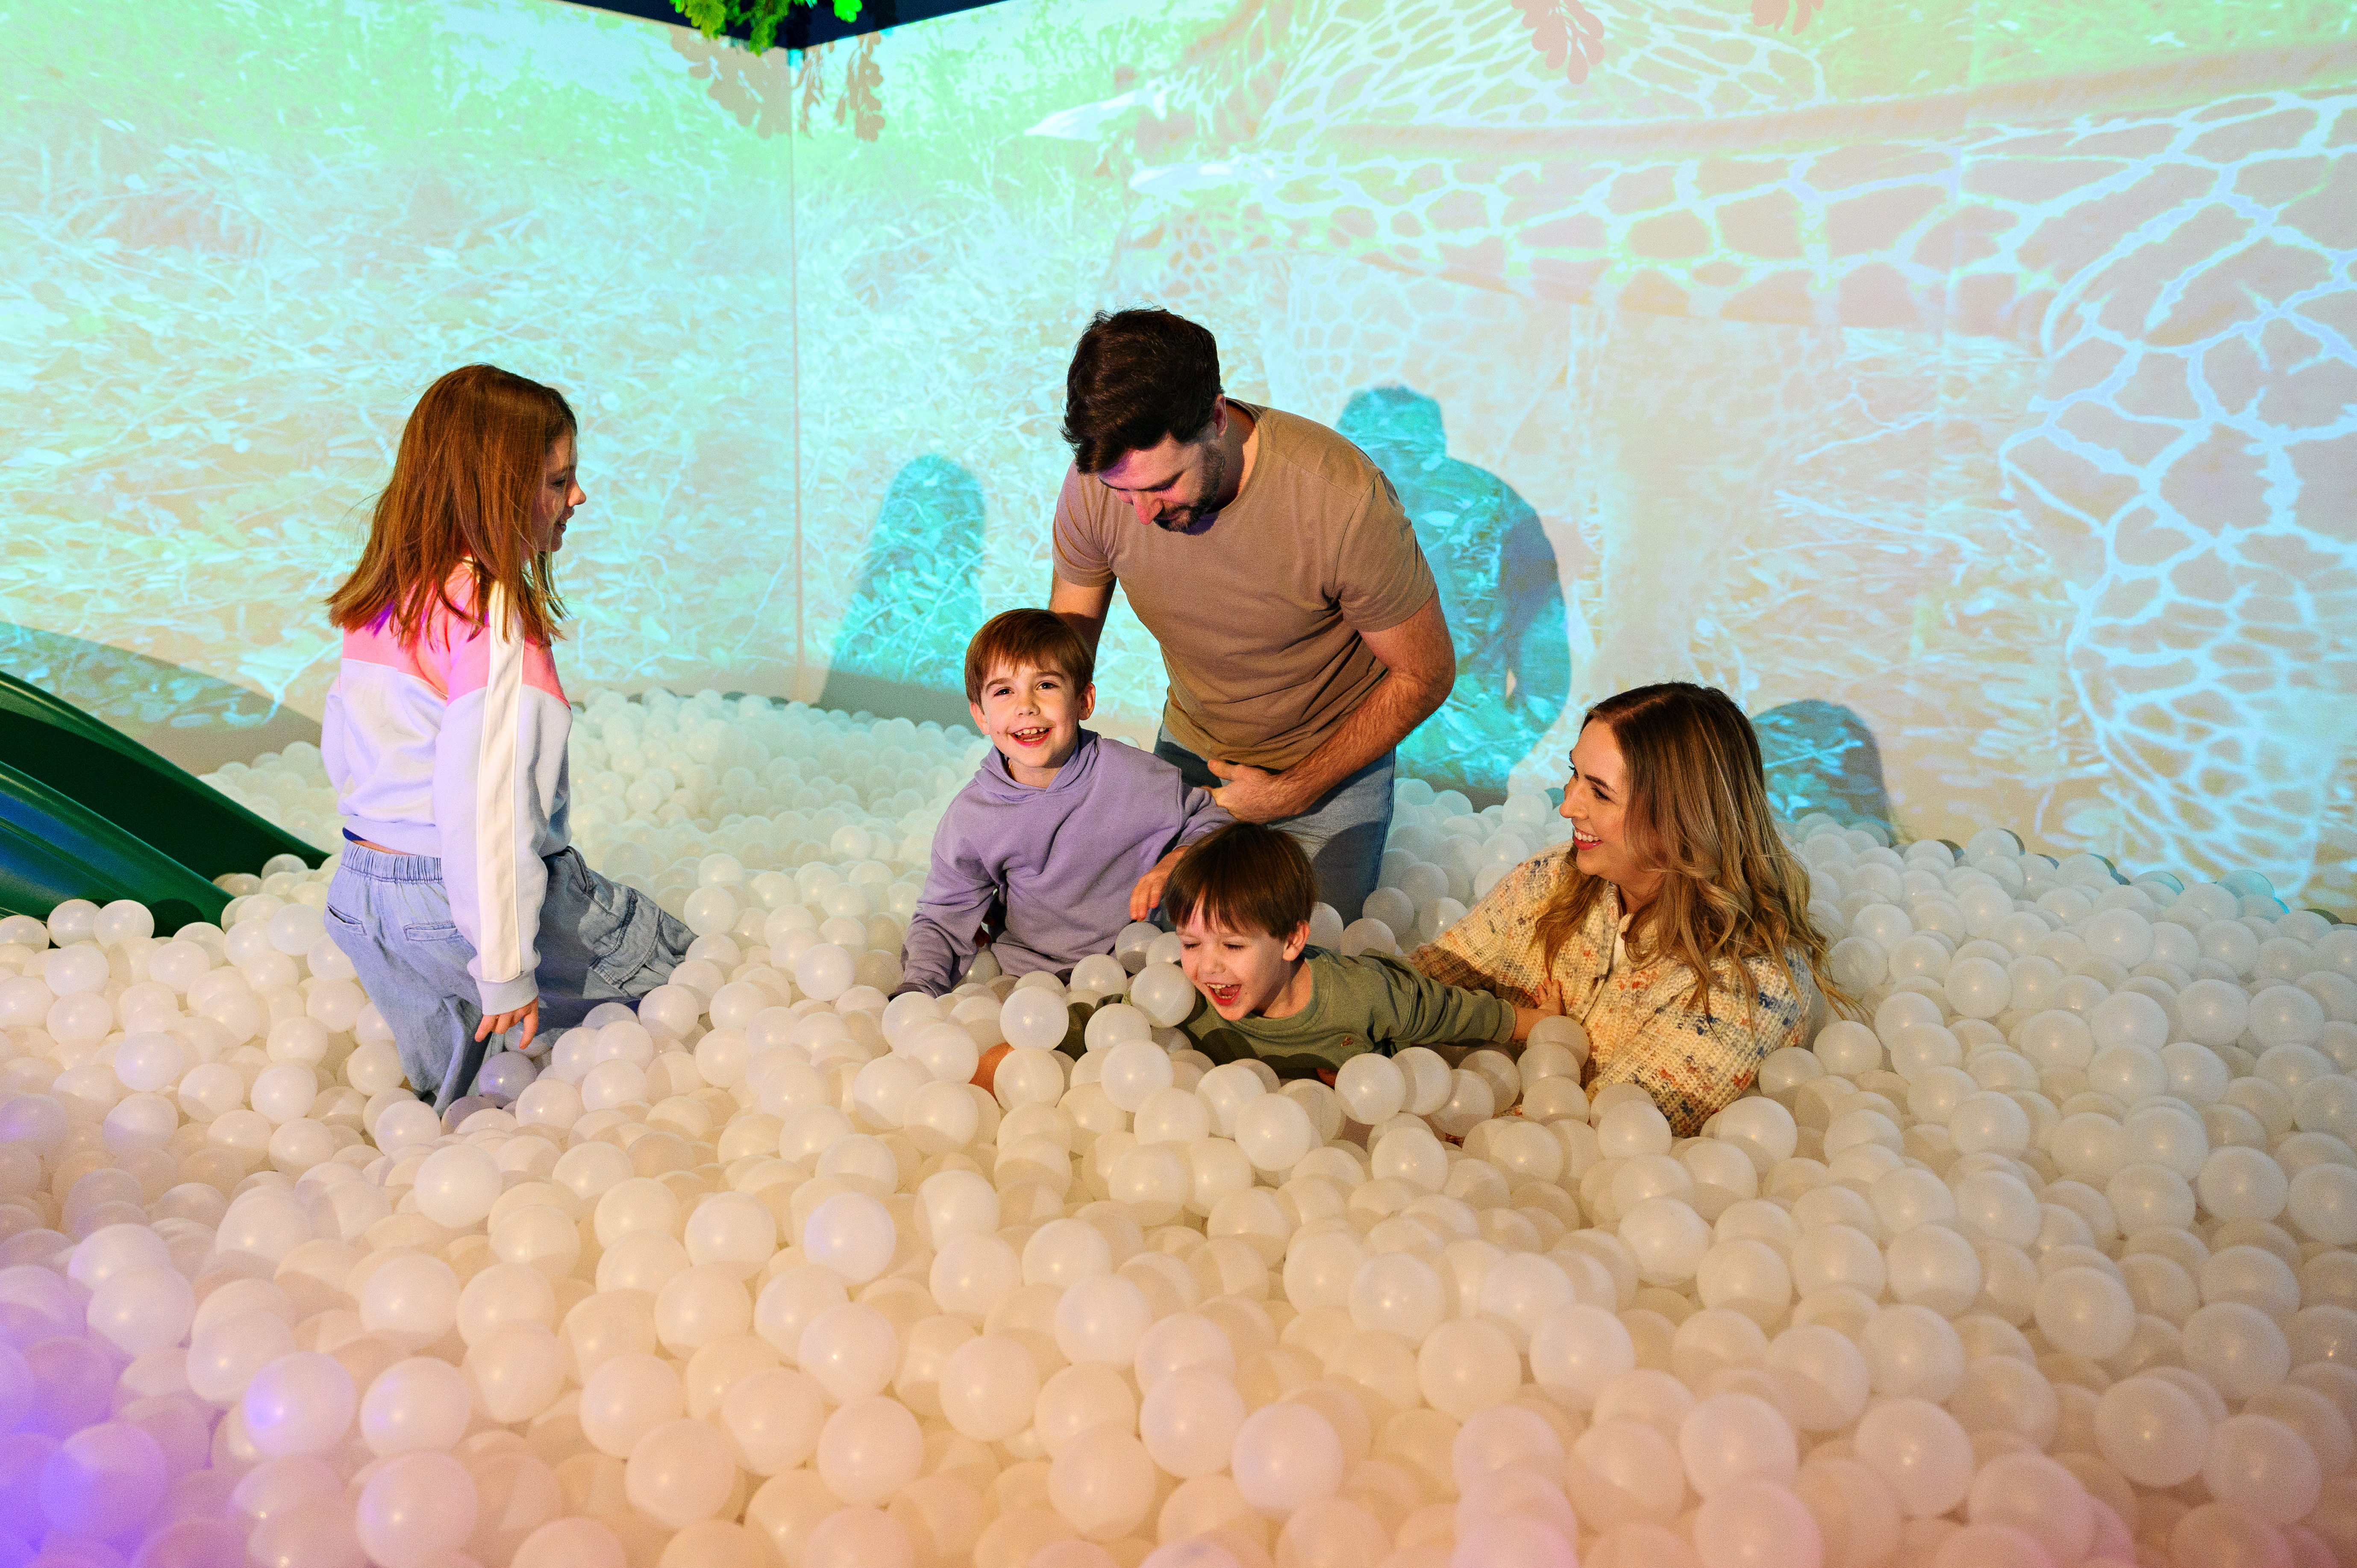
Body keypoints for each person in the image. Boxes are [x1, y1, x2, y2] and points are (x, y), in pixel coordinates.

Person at [320, 364, 691, 1110]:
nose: (577, 499)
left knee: (458, 1103)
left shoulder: (390, 595)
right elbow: (485, 810)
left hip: (363, 895)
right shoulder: (491, 614)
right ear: (494, 491)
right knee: (695, 991)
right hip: (452, 899)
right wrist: (504, 963)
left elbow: (357, 755)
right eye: (559, 483)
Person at [1047, 309, 1456, 923]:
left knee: (1301, 972)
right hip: (1195, 752)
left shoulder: (1341, 501)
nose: (1139, 513)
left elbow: (1426, 674)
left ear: (1214, 419)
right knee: (1142, 949)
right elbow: (1065, 643)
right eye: (1121, 491)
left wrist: (1290, 793)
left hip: (1330, 769)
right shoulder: (1097, 487)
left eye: (1161, 486)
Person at [1411, 683, 1839, 1134]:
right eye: (1574, 774)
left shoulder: (1751, 983)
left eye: (1599, 792)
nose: (1566, 806)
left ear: (1679, 818)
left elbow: (1591, 1136)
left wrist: (1437, 1133)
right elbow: (1414, 984)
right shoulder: (1548, 881)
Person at [897, 608, 1229, 996]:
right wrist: (920, 988)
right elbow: (942, 917)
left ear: (1084, 700)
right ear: (981, 716)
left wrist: (1176, 861)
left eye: (1046, 686)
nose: (1027, 707)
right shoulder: (974, 818)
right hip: (1027, 981)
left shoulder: (1132, 776)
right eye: (1004, 692)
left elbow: (1213, 819)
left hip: (1137, 971)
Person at [1167, 822, 1560, 1078]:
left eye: (1233, 945)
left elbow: (1448, 1011)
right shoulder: (1180, 1000)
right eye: (1190, 943)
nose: (1208, 966)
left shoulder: (1364, 995)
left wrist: (1537, 1022)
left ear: (1291, 941)